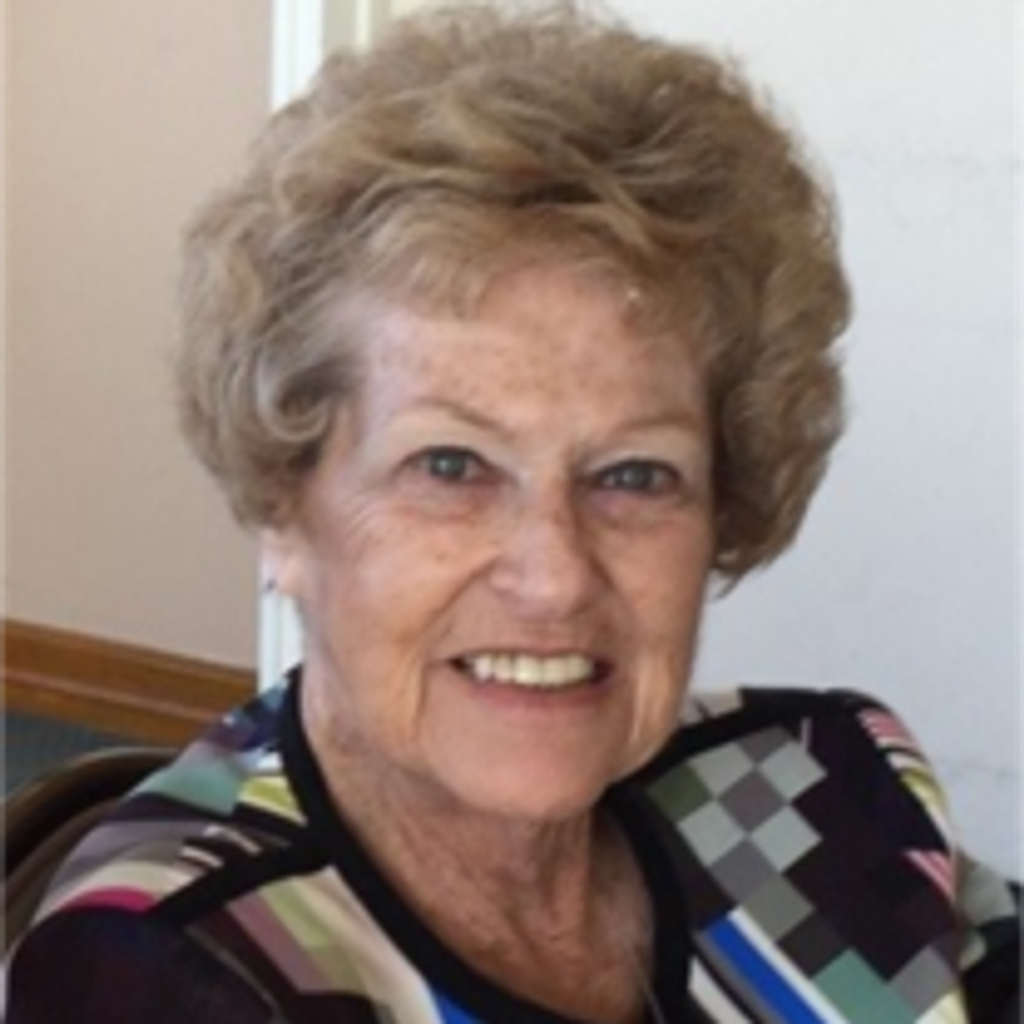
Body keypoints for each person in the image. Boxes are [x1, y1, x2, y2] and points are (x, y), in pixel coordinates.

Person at [2, 2, 1020, 1021]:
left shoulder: (826, 788)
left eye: (635, 475)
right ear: (284, 507)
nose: (554, 575)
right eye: (451, 464)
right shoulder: (163, 972)